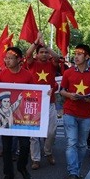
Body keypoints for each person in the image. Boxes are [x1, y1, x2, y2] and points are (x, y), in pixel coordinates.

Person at [60, 44, 90, 179]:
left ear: (87, 57)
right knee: (71, 142)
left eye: (80, 54)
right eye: (75, 53)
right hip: (70, 111)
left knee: (81, 144)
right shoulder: (68, 73)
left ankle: (77, 171)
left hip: (86, 113)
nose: (76, 56)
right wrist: (69, 95)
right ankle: (73, 172)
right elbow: (61, 90)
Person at [0, 46, 35, 179]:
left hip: (23, 117)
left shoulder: (28, 75)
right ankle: (8, 174)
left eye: (10, 58)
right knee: (6, 147)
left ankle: (22, 167)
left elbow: (36, 95)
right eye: (6, 58)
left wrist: (46, 94)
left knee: (25, 145)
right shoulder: (2, 75)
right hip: (6, 118)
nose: (7, 60)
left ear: (19, 59)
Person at [25, 32, 59, 170]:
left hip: (49, 102)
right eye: (41, 52)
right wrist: (36, 41)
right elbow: (27, 54)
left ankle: (48, 151)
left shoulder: (52, 64)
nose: (44, 54)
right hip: (33, 102)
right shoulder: (32, 64)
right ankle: (35, 159)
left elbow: (56, 57)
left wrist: (45, 45)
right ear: (37, 54)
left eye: (46, 52)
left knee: (51, 131)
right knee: (34, 134)